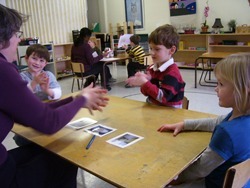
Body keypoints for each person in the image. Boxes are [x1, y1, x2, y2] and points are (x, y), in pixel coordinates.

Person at [0, 4, 108, 188]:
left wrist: (76, 100)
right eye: (17, 35)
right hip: (4, 175)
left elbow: (33, 114)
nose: (18, 41)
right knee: (69, 157)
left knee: (50, 150)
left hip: (4, 161)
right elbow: (48, 122)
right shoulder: (3, 71)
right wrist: (82, 100)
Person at [158, 53, 250, 188]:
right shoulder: (241, 116)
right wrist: (184, 124)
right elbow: (216, 122)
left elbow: (199, 169)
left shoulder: (227, 134)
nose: (215, 88)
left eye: (221, 84)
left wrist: (174, 180)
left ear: (243, 91)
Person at [13, 44, 62, 146]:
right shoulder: (20, 76)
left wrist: (47, 90)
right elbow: (22, 96)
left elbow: (58, 92)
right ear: (26, 58)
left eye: (41, 61)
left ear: (45, 63)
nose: (37, 63)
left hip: (45, 114)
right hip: (28, 116)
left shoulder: (48, 75)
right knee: (23, 140)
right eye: (34, 58)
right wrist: (34, 83)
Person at [126, 24, 185, 108]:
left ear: (171, 50)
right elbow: (146, 93)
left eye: (157, 49)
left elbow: (163, 98)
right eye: (151, 48)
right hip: (153, 108)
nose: (152, 53)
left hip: (169, 114)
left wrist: (145, 83)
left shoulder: (173, 73)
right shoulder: (152, 68)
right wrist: (145, 81)